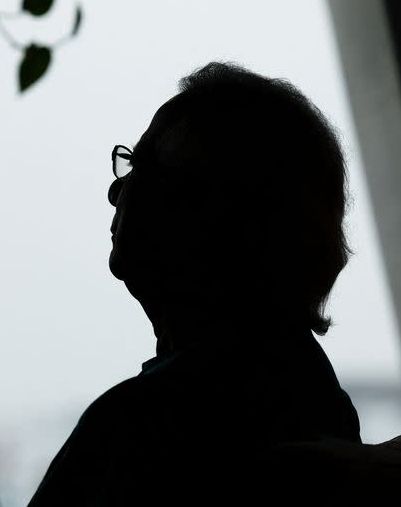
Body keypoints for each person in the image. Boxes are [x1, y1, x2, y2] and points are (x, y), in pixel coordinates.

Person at [27, 62, 361, 506]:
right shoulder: (316, 401)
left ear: (215, 211)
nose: (114, 191)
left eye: (140, 166)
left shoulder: (145, 426)